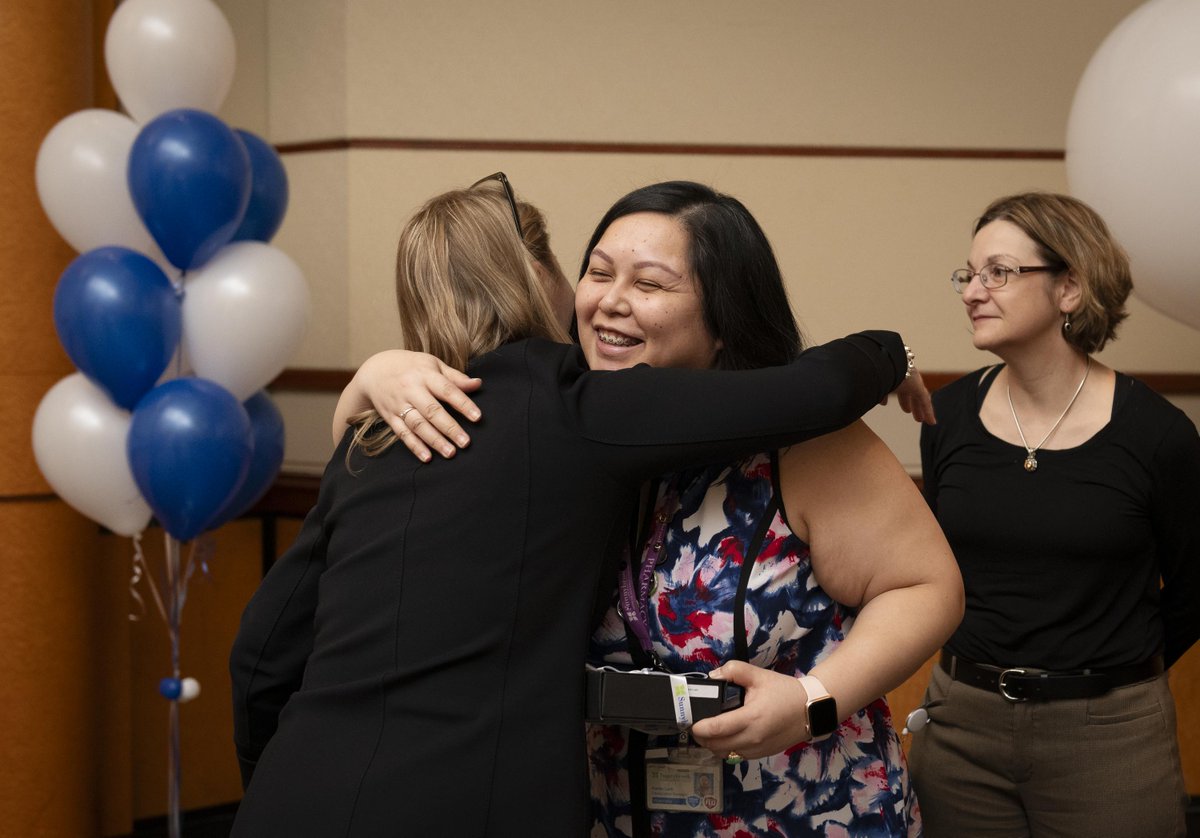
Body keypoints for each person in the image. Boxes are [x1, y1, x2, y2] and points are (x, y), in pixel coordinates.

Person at [229, 176, 924, 838]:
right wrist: (890, 351)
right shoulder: (572, 414)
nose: (611, 300)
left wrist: (285, 780)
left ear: (723, 317)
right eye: (598, 272)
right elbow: (819, 386)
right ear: (549, 286)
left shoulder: (388, 436)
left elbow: (261, 654)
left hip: (299, 798)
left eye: (649, 282)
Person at [909, 191, 1200, 837]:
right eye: (969, 273)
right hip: (960, 726)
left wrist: (1110, 676)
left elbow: (1192, 589)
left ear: (1070, 288)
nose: (972, 291)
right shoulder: (946, 415)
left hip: (1109, 735)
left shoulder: (1157, 434)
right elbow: (933, 570)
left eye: (999, 272)